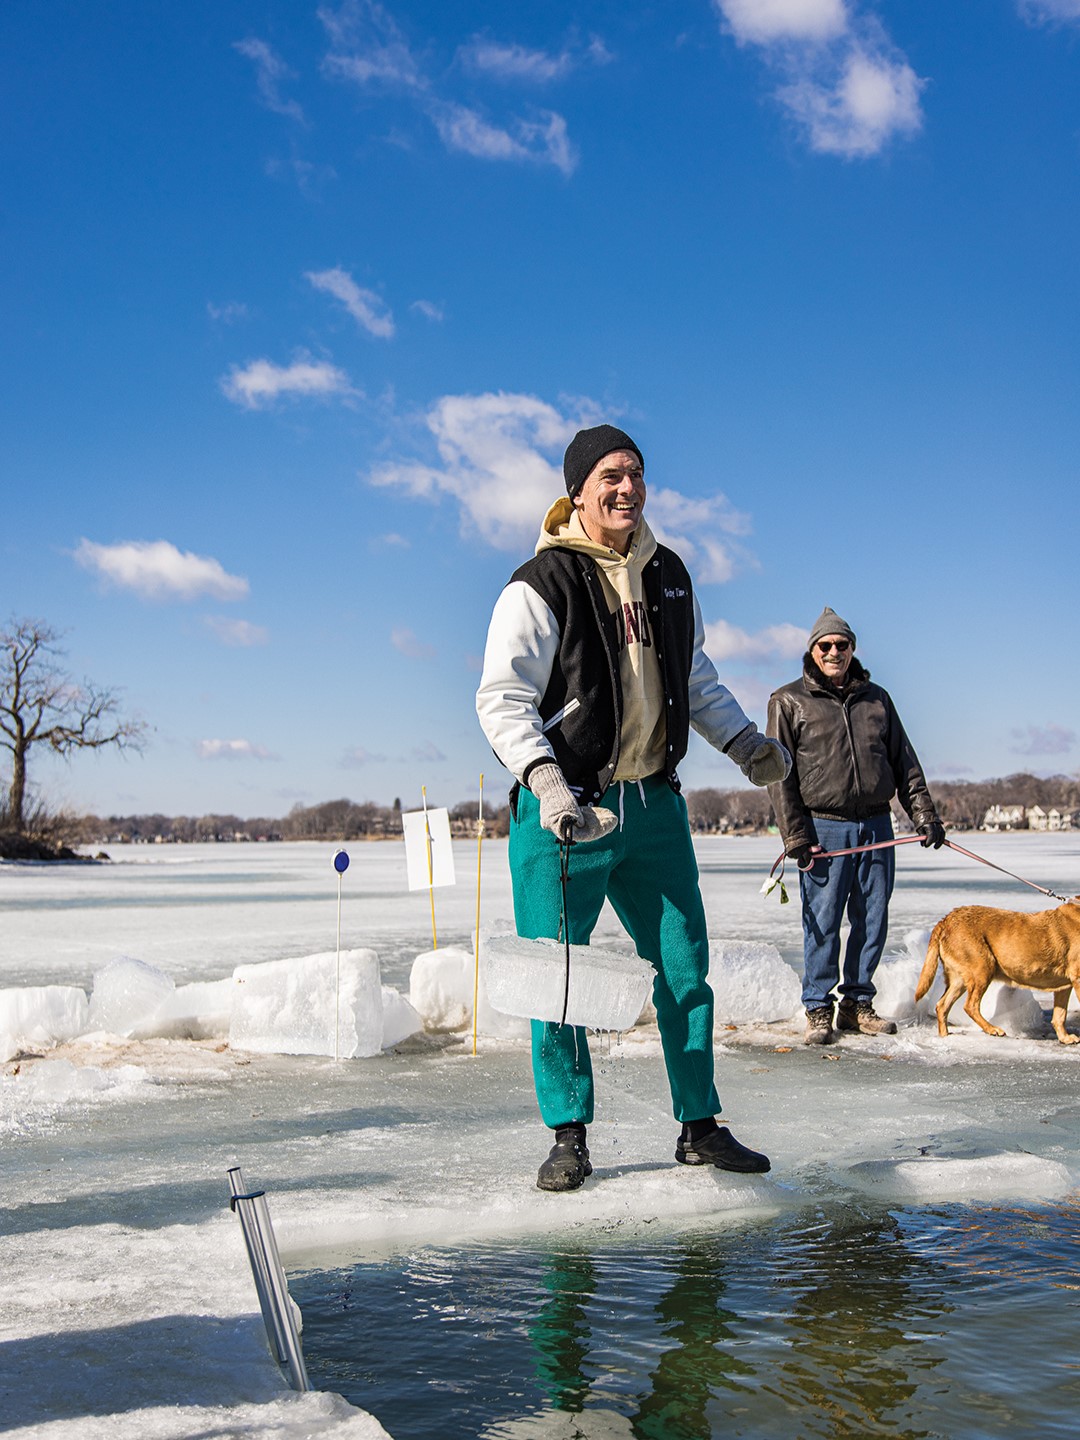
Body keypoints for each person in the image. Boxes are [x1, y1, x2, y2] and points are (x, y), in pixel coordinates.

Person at [476, 423, 790, 1191]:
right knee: (559, 978)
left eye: (637, 474)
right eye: (610, 476)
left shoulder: (670, 574)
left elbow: (697, 676)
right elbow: (502, 697)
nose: (626, 488)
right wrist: (547, 783)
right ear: (577, 491)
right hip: (566, 813)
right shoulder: (539, 581)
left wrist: (745, 742)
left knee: (685, 968)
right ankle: (568, 1134)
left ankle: (699, 1125)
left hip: (652, 805)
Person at [766, 607, 945, 1046]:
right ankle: (818, 1007)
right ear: (812, 650)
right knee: (823, 922)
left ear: (852, 649)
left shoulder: (877, 699)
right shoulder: (787, 701)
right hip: (822, 827)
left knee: (872, 919)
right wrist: (796, 836)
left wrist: (924, 814)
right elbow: (778, 776)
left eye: (841, 645)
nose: (834, 652)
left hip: (876, 826)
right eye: (825, 646)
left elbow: (905, 763)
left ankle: (857, 1004)